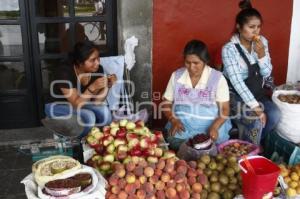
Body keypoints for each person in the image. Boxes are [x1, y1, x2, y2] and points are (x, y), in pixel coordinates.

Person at [221, 0, 281, 144]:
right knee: (256, 120)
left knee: (275, 115)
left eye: (259, 27)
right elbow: (237, 82)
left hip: (257, 92)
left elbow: (266, 74)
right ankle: (249, 148)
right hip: (235, 96)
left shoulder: (262, 42)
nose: (256, 31)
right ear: (239, 27)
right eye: (251, 27)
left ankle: (251, 143)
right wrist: (256, 108)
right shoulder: (229, 49)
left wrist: (261, 55)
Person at [162, 40, 232, 151]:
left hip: (210, 126)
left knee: (211, 148)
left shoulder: (217, 78)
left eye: (196, 63)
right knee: (177, 144)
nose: (191, 67)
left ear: (205, 61)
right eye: (187, 62)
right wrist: (173, 120)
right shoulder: (177, 76)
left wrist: (215, 127)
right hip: (183, 126)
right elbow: (166, 103)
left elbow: (225, 109)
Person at [45, 40, 117, 138]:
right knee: (88, 116)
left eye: (98, 58)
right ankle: (82, 143)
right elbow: (76, 104)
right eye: (92, 60)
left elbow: (96, 102)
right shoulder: (64, 72)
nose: (97, 63)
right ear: (80, 62)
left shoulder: (97, 69)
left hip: (80, 103)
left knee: (105, 111)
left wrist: (108, 85)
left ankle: (102, 140)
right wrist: (92, 87)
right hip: (56, 106)